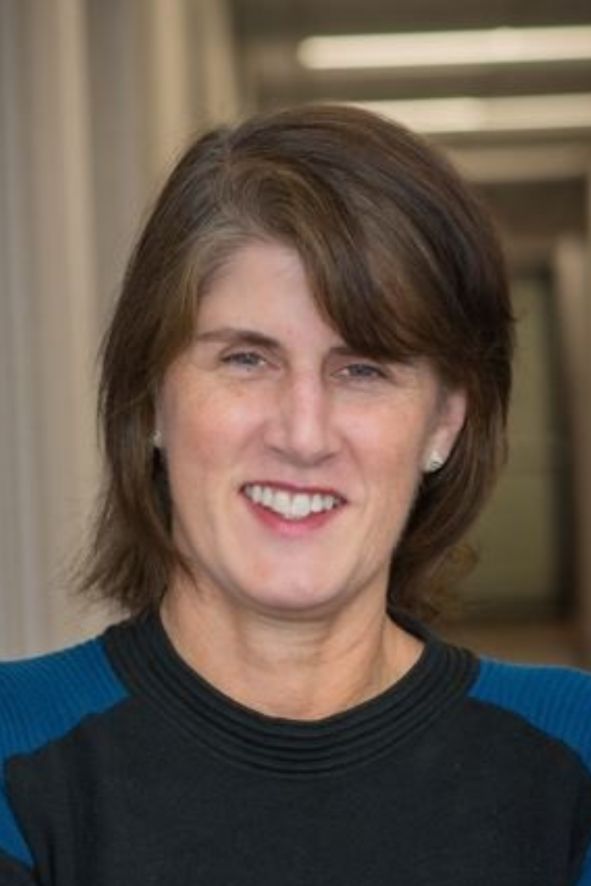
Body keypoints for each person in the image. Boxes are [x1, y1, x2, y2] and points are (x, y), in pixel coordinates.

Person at [1, 104, 590, 886]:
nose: (303, 434)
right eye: (247, 359)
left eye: (364, 369)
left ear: (445, 422)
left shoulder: (571, 757)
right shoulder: (16, 750)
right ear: (150, 399)